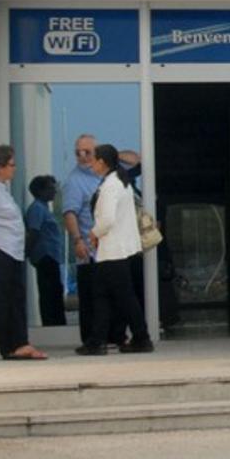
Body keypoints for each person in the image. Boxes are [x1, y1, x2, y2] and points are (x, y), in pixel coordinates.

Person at [76, 144, 153, 355]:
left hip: (113, 250)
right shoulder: (122, 182)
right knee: (102, 295)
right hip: (117, 249)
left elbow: (107, 219)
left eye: (94, 160)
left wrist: (94, 233)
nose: (91, 164)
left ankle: (141, 337)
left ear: (102, 162)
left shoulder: (111, 185)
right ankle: (98, 340)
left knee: (123, 296)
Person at [0, 146, 48, 360]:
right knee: (4, 299)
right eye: (11, 165)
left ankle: (20, 342)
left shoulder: (2, 190)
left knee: (16, 298)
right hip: (0, 250)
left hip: (13, 252)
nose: (15, 168)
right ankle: (9, 346)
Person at [62, 134, 103, 343]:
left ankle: (109, 336)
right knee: (91, 298)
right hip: (89, 250)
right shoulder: (74, 181)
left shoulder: (105, 174)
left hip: (109, 250)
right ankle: (91, 341)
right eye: (78, 153)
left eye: (87, 152)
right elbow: (70, 213)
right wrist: (77, 240)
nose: (83, 156)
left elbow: (136, 160)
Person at [25, 175, 67, 326]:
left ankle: (58, 322)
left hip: (51, 256)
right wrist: (26, 252)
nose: (54, 191)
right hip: (45, 256)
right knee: (49, 291)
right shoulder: (37, 208)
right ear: (40, 191)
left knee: (55, 290)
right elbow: (34, 232)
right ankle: (51, 323)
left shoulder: (44, 208)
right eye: (50, 188)